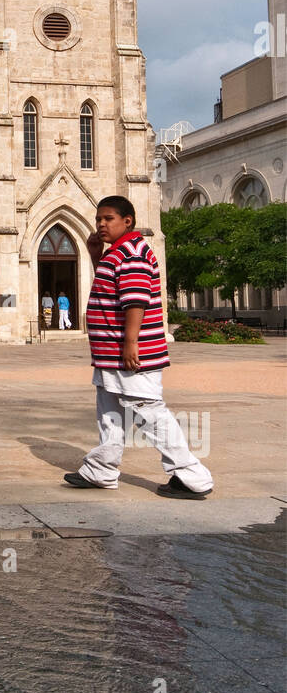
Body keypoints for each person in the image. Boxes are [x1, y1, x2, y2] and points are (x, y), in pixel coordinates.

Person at [64, 195, 214, 499]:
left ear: (127, 221)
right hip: (110, 354)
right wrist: (96, 255)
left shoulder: (132, 252)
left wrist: (131, 343)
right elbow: (111, 290)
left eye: (108, 219)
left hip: (130, 353)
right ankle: (102, 469)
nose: (101, 224)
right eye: (98, 220)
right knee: (109, 412)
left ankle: (192, 476)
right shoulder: (116, 253)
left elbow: (135, 302)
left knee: (148, 411)